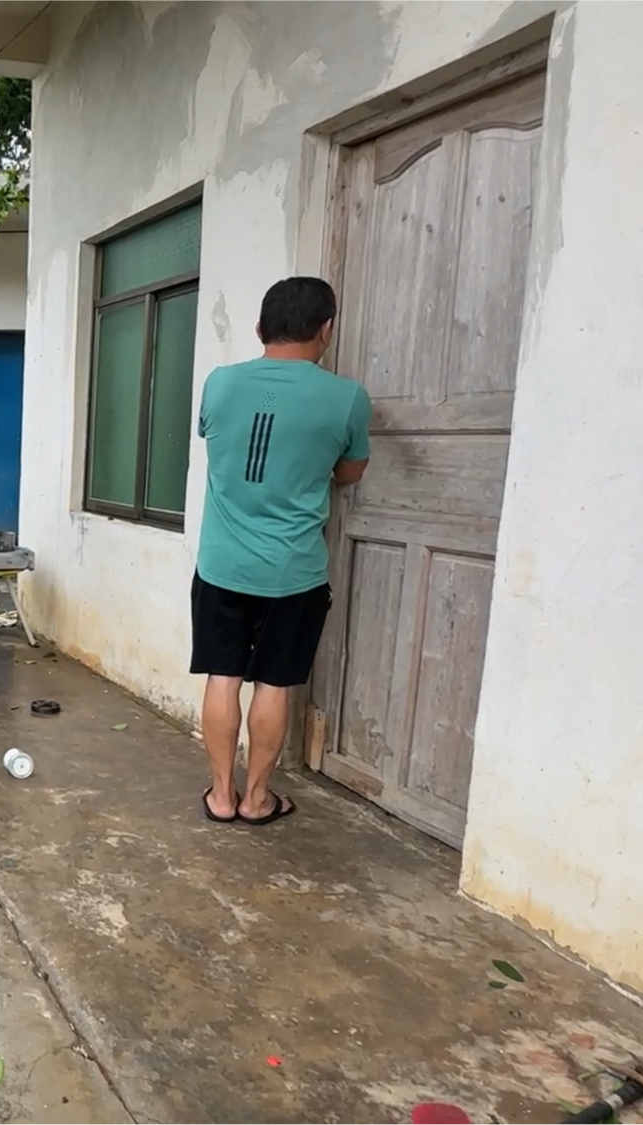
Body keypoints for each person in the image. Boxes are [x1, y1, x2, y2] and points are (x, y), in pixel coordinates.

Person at [191, 276, 372, 827]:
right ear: (326, 330)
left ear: (259, 329)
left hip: (221, 565)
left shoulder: (219, 384)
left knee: (222, 677)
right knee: (273, 683)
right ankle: (256, 799)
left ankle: (221, 796)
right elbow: (350, 474)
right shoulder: (347, 398)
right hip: (293, 572)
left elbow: (215, 442)